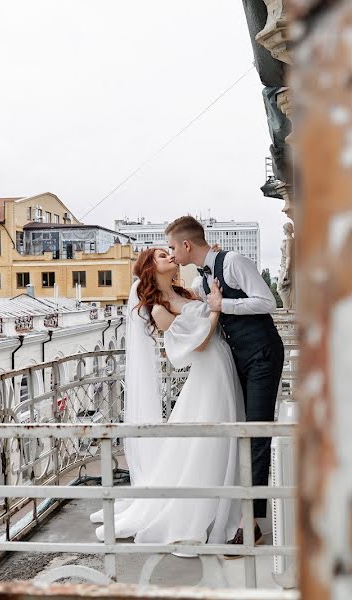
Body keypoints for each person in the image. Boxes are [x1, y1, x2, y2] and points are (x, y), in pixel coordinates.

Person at [89, 248, 244, 548]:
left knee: (225, 433)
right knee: (208, 441)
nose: (170, 256)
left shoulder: (184, 291)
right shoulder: (159, 309)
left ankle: (230, 502)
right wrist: (215, 309)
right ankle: (200, 512)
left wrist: (212, 302)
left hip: (224, 361)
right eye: (162, 255)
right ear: (150, 267)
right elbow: (192, 347)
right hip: (208, 368)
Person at [166, 215, 285, 551]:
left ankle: (252, 525)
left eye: (173, 247)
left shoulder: (233, 262)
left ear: (187, 245)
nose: (172, 253)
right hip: (238, 358)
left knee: (256, 432)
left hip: (262, 353)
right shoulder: (203, 280)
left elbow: (268, 302)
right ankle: (241, 513)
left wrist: (224, 304)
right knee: (243, 433)